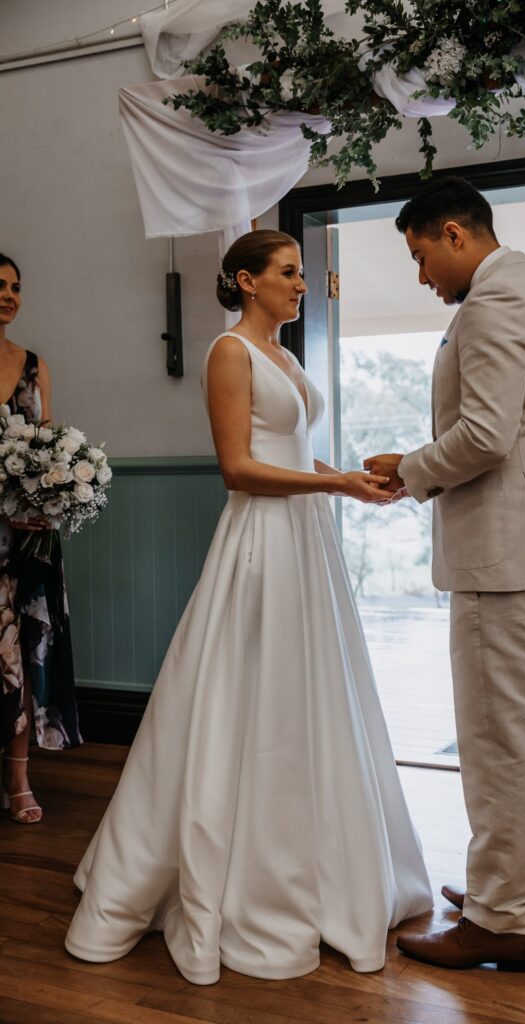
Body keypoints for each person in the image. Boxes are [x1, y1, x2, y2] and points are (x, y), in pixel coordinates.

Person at [65, 229, 433, 984]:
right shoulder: (227, 353)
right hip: (260, 543)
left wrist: (347, 477)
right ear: (246, 280)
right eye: (289, 273)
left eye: (301, 274)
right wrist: (335, 488)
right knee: (248, 695)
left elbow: (287, 453)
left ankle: (325, 862)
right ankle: (234, 878)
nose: (301, 285)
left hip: (304, 541)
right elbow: (238, 469)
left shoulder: (288, 358)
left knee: (312, 695)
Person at [364, 177, 525, 972]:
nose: (423, 277)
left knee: (496, 737)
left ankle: (498, 919)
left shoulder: (491, 302)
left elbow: (486, 436)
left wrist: (411, 468)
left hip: (502, 544)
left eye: (421, 257)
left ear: (453, 233)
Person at [0, 253, 81, 825]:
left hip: (27, 541)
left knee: (28, 655)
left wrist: (50, 501)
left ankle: (20, 776)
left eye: (16, 287)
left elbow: (47, 451)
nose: (9, 295)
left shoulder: (33, 365)